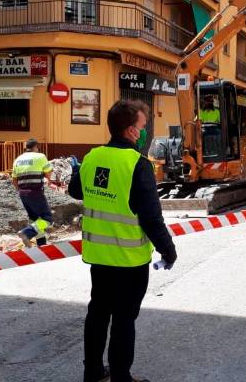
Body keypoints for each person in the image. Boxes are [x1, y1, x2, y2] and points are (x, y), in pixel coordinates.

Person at [68, 99, 178, 382]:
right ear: (130, 131)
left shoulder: (92, 157)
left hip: (98, 257)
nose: (144, 132)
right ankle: (120, 377)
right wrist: (168, 250)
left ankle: (92, 373)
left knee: (98, 314)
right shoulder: (137, 164)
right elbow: (151, 218)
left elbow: (76, 191)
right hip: (129, 261)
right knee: (124, 320)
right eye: (142, 127)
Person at [12, 138, 53, 247]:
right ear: (36, 147)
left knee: (35, 220)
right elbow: (48, 174)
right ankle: (26, 232)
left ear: (26, 148)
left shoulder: (17, 159)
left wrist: (21, 191)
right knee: (47, 219)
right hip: (35, 192)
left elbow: (14, 180)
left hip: (23, 193)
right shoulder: (40, 156)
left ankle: (41, 243)